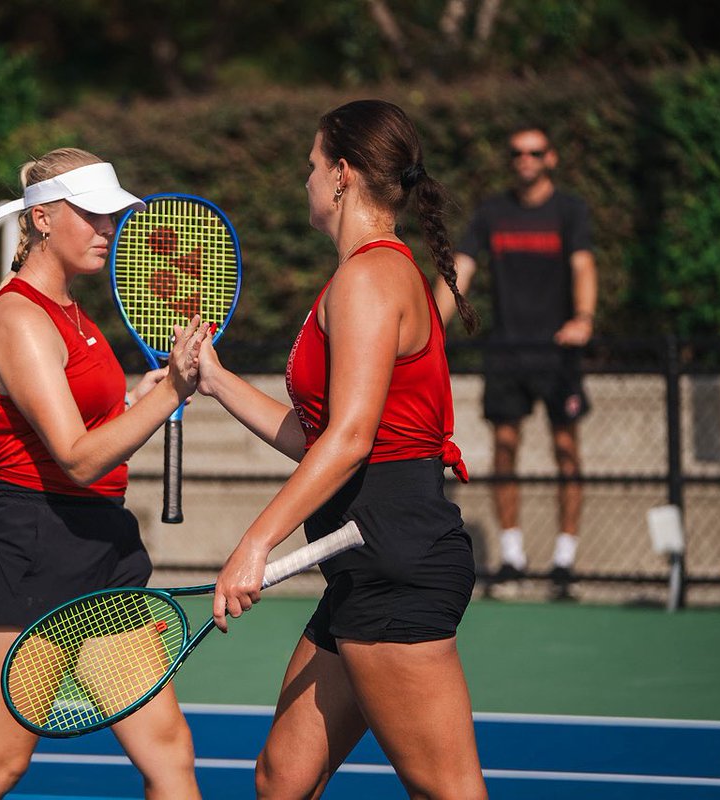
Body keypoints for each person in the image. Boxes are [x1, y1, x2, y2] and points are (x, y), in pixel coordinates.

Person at [196, 100, 487, 799]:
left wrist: (256, 542)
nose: (306, 178)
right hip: (362, 559)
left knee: (446, 791)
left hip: (393, 557)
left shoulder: (367, 279)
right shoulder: (374, 275)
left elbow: (351, 441)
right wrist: (216, 379)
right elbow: (324, 436)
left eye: (311, 165)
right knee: (282, 778)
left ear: (342, 176)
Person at [0, 148, 208, 800]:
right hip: (33, 544)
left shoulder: (73, 316)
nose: (106, 229)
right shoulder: (20, 319)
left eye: (111, 216)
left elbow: (94, 433)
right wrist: (169, 394)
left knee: (170, 754)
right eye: (89, 215)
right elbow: (79, 455)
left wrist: (148, 396)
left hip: (101, 545)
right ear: (40, 218)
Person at [432, 125, 598, 598]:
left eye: (535, 151)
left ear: (551, 158)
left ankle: (564, 562)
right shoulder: (491, 213)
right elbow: (460, 268)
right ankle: (511, 558)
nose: (525, 158)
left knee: (566, 450)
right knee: (505, 448)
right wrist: (427, 326)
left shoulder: (570, 211)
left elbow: (583, 266)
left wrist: (584, 318)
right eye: (517, 152)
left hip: (558, 354)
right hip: (506, 352)